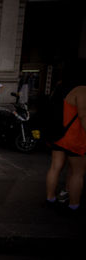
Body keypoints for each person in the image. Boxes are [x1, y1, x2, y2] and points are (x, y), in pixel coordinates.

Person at [45, 83, 86, 214]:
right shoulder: (81, 90)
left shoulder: (59, 88)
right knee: (77, 173)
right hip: (75, 137)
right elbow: (83, 116)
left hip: (59, 135)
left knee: (55, 167)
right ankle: (74, 205)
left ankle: (50, 198)